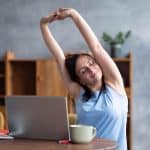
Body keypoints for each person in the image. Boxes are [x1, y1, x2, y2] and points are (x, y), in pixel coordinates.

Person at [40, 8, 128, 150]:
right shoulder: (78, 93)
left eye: (92, 63)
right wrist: (43, 25)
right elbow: (59, 58)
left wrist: (73, 14)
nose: (91, 70)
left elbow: (96, 48)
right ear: (80, 80)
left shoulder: (115, 84)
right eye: (84, 71)